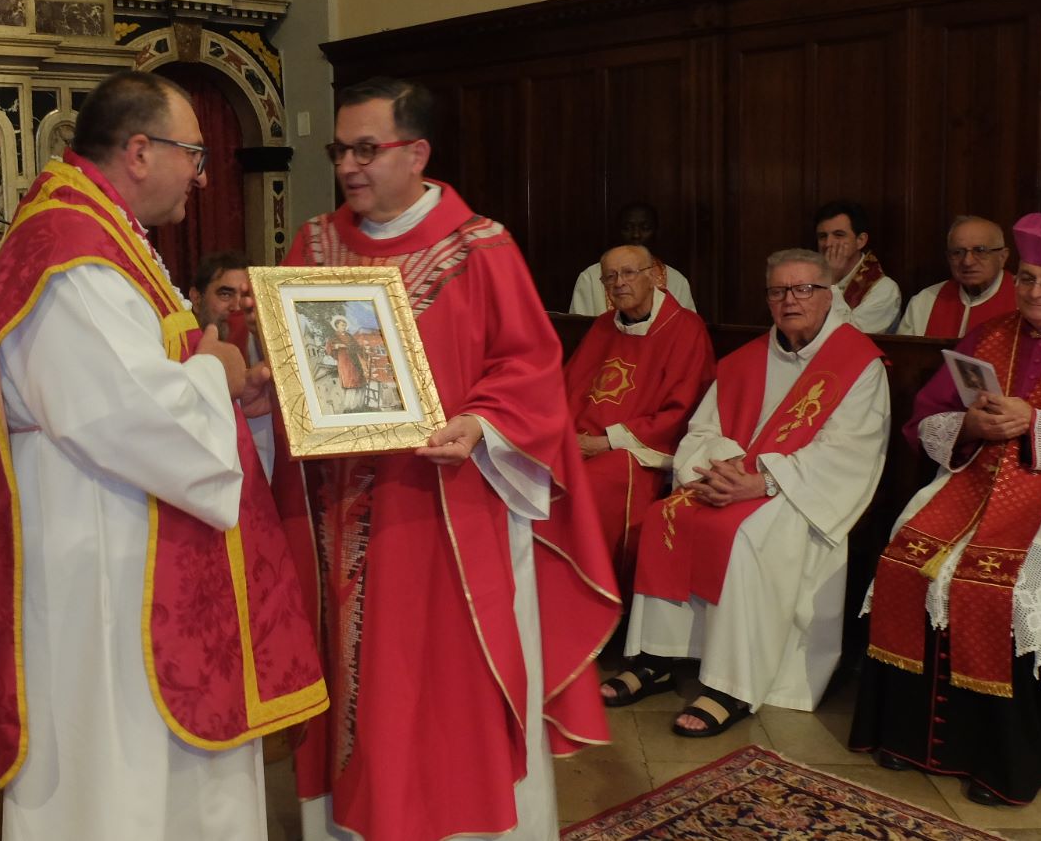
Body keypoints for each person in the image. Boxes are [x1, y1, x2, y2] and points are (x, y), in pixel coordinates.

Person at [0, 70, 328, 839]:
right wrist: (215, 372)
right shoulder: (69, 251)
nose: (201, 176)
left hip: (140, 544)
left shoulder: (109, 239)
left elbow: (150, 379)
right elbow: (123, 413)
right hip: (105, 569)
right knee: (121, 787)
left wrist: (229, 392)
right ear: (139, 150)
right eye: (194, 155)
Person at [272, 76, 619, 841]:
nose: (350, 167)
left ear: (417, 152)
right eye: (340, 150)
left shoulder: (479, 248)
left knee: (437, 683)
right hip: (340, 514)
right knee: (357, 682)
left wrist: (480, 423)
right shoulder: (315, 245)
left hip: (450, 510)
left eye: (368, 149)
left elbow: (530, 369)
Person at [853, 199, 1041, 807]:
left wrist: (1036, 424)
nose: (1036, 292)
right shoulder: (989, 334)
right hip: (972, 482)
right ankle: (909, 736)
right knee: (907, 561)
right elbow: (928, 419)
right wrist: (970, 426)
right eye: (1027, 278)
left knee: (1004, 583)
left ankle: (1004, 760)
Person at [601, 249, 890, 737]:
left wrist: (763, 481)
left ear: (828, 294)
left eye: (803, 289)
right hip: (732, 481)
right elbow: (701, 429)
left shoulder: (859, 364)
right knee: (666, 517)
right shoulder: (745, 360)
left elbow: (848, 451)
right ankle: (659, 656)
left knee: (750, 536)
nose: (790, 300)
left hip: (796, 495)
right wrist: (721, 468)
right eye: (778, 291)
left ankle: (733, 683)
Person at [563, 243, 715, 582]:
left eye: (629, 273)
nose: (619, 283)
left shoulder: (685, 329)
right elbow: (567, 389)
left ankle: (595, 588)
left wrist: (604, 443)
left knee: (588, 486)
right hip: (582, 444)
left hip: (640, 454)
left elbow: (681, 411)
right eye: (610, 277)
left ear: (653, 278)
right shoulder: (604, 326)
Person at [896, 216, 1015, 337]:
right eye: (957, 252)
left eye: (980, 250)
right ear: (948, 258)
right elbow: (906, 354)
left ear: (1002, 257)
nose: (967, 262)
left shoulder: (1025, 301)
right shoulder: (925, 301)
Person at [570, 202, 696, 317]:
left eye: (645, 228)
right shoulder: (591, 277)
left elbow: (687, 332)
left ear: (657, 232)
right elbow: (580, 332)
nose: (636, 235)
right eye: (627, 228)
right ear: (617, 232)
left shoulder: (676, 281)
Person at [815, 200, 902, 333]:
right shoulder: (809, 279)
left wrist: (830, 281)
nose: (828, 243)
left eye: (838, 235)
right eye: (822, 236)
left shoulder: (884, 289)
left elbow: (850, 338)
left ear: (860, 241)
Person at [186, 249, 251, 335]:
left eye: (246, 296)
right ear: (196, 299)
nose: (237, 308)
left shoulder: (262, 346)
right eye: (225, 294)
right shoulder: (173, 345)